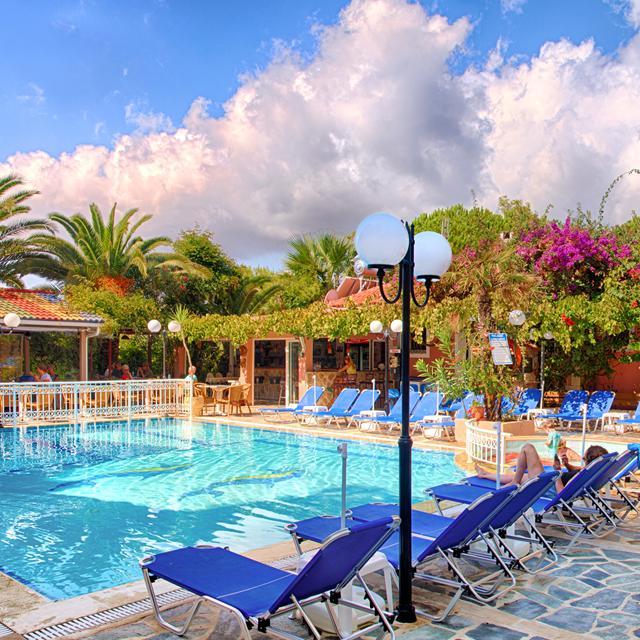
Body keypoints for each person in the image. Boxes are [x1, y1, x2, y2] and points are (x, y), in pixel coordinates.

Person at [476, 443, 608, 493]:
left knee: (528, 448)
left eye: (583, 459)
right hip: (550, 481)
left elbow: (562, 493)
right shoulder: (592, 472)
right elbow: (576, 472)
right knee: (522, 477)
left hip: (547, 486)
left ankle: (514, 483)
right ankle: (486, 474)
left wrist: (557, 473)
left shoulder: (582, 475)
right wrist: (567, 465)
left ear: (589, 461)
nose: (582, 461)